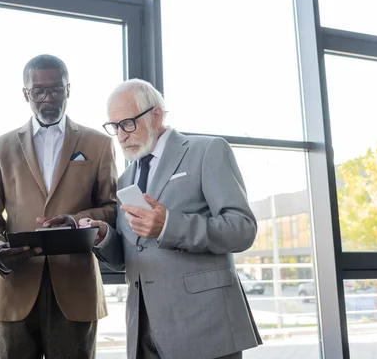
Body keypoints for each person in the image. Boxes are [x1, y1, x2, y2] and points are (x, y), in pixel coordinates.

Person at [92, 79, 262, 359]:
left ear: (156, 114)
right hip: (143, 328)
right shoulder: (126, 177)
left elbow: (242, 229)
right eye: (114, 126)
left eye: (127, 123)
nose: (121, 135)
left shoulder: (206, 151)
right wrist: (104, 237)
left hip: (203, 324)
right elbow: (132, 251)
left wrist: (169, 226)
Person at [0, 54, 117, 358]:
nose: (48, 98)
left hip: (77, 287)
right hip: (16, 286)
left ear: (69, 89)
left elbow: (111, 207)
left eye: (57, 89)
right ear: (25, 94)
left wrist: (77, 220)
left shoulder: (98, 144)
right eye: (39, 91)